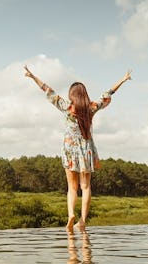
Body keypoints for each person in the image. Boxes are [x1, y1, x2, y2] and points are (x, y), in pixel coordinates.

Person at [24, 65, 132, 231]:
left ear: (71, 95)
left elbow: (47, 89)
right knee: (86, 187)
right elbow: (107, 94)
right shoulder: (91, 108)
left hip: (69, 150)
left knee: (72, 188)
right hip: (86, 151)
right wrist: (123, 80)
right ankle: (82, 220)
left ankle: (70, 215)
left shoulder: (66, 107)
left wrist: (32, 76)